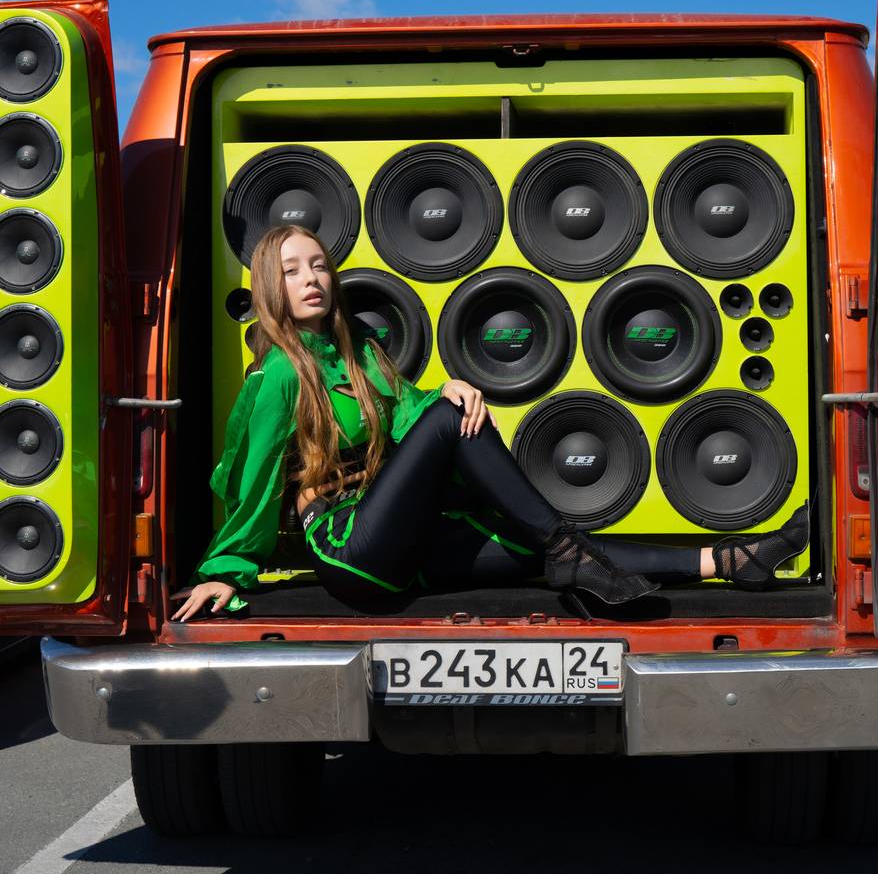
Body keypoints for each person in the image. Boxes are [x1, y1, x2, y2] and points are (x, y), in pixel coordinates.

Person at [172, 224, 809, 621]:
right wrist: (226, 569)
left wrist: (444, 389)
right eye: (291, 271)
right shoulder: (279, 375)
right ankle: (569, 553)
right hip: (351, 548)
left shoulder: (360, 351)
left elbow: (408, 414)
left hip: (402, 539)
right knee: (460, 429)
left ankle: (731, 559)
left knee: (530, 545)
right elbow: (252, 480)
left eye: (318, 264)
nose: (311, 278)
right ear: (269, 286)